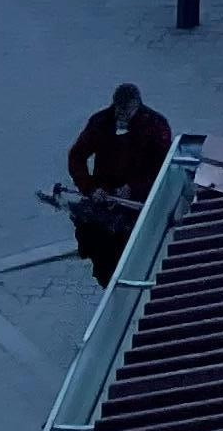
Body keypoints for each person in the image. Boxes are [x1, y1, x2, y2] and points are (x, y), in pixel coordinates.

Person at [65, 79, 172, 284]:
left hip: (137, 204)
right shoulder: (100, 122)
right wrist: (89, 188)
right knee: (100, 251)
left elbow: (162, 167)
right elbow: (77, 156)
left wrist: (133, 188)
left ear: (136, 107)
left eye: (126, 112)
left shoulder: (156, 126)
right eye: (118, 111)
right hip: (103, 199)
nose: (121, 116)